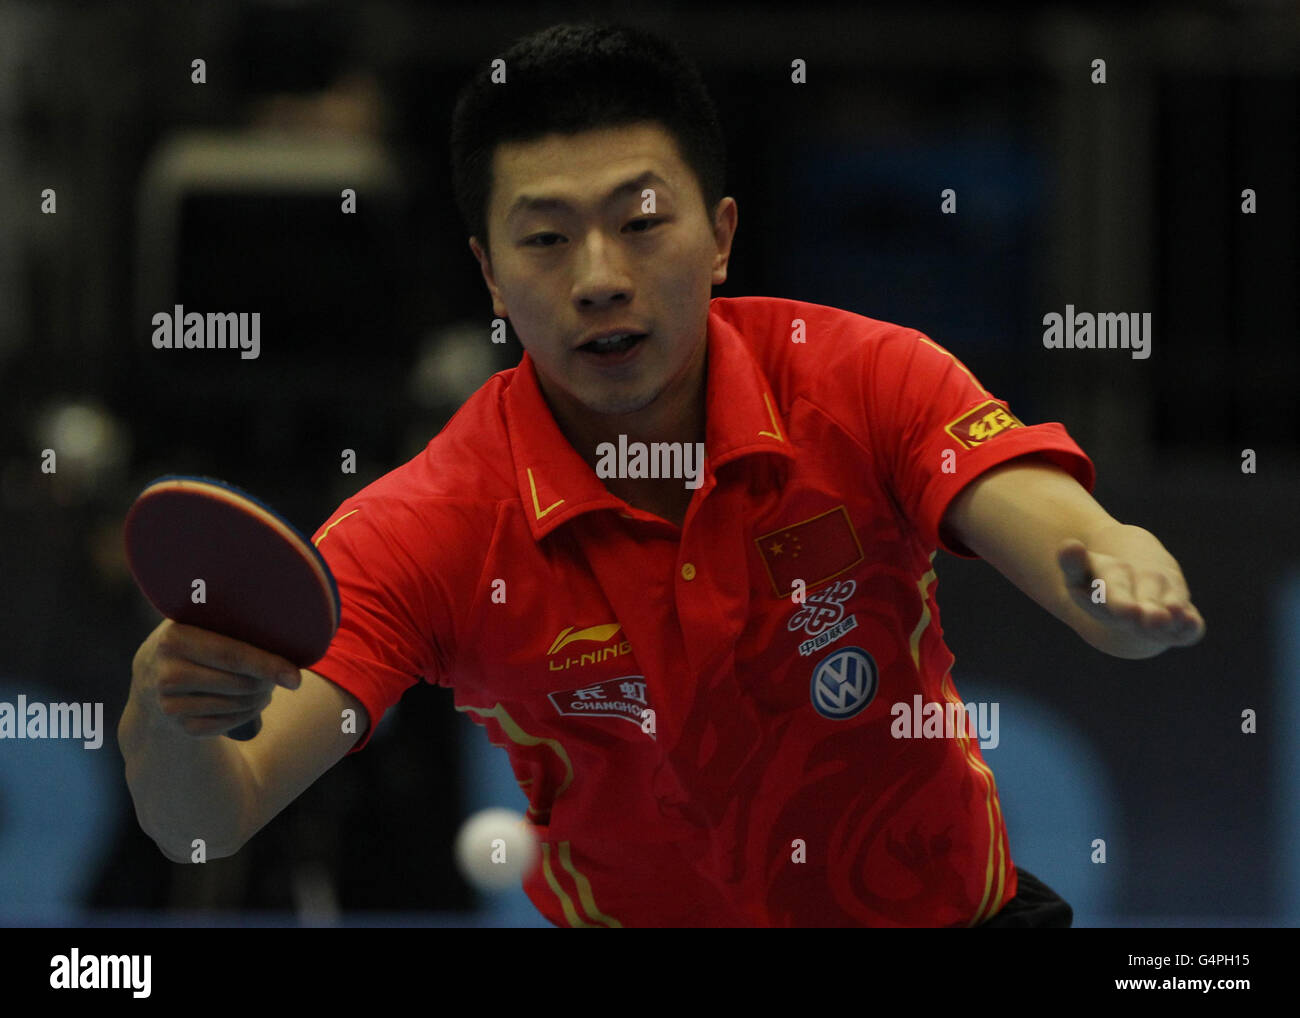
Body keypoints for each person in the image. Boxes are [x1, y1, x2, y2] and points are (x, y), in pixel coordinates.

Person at [120, 21, 1206, 927]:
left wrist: (1111, 569)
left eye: (640, 224)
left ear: (720, 236)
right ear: (489, 276)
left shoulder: (860, 377)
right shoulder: (433, 522)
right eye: (545, 241)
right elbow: (208, 820)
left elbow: (1052, 524)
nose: (599, 278)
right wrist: (170, 712)